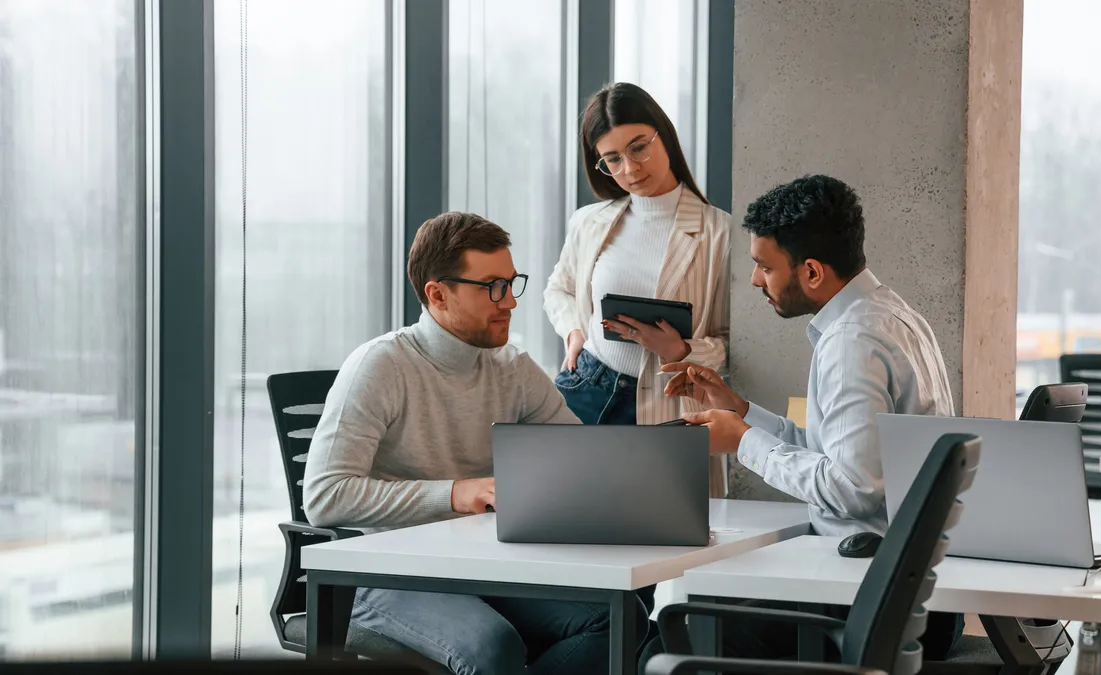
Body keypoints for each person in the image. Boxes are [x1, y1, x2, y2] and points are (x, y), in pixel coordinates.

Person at [303, 212, 645, 675]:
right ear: (437, 294)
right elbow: (325, 497)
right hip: (385, 573)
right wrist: (455, 494)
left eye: (510, 283)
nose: (509, 302)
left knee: (621, 619)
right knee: (492, 647)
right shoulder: (379, 366)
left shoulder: (513, 367)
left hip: (482, 562)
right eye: (491, 288)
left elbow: (578, 463)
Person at [650, 175, 960, 666]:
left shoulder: (851, 341)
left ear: (812, 271)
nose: (754, 281)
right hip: (903, 598)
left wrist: (743, 443)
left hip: (861, 604)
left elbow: (854, 487)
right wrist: (741, 413)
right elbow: (839, 454)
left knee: (668, 633)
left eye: (763, 266)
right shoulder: (892, 316)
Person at [544, 81, 732, 495]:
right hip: (588, 386)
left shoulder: (720, 233)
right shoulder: (589, 221)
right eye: (611, 159)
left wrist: (683, 352)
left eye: (638, 148)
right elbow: (559, 289)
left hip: (670, 400)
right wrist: (575, 331)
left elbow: (734, 342)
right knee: (563, 520)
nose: (629, 169)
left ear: (663, 136)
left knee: (661, 536)